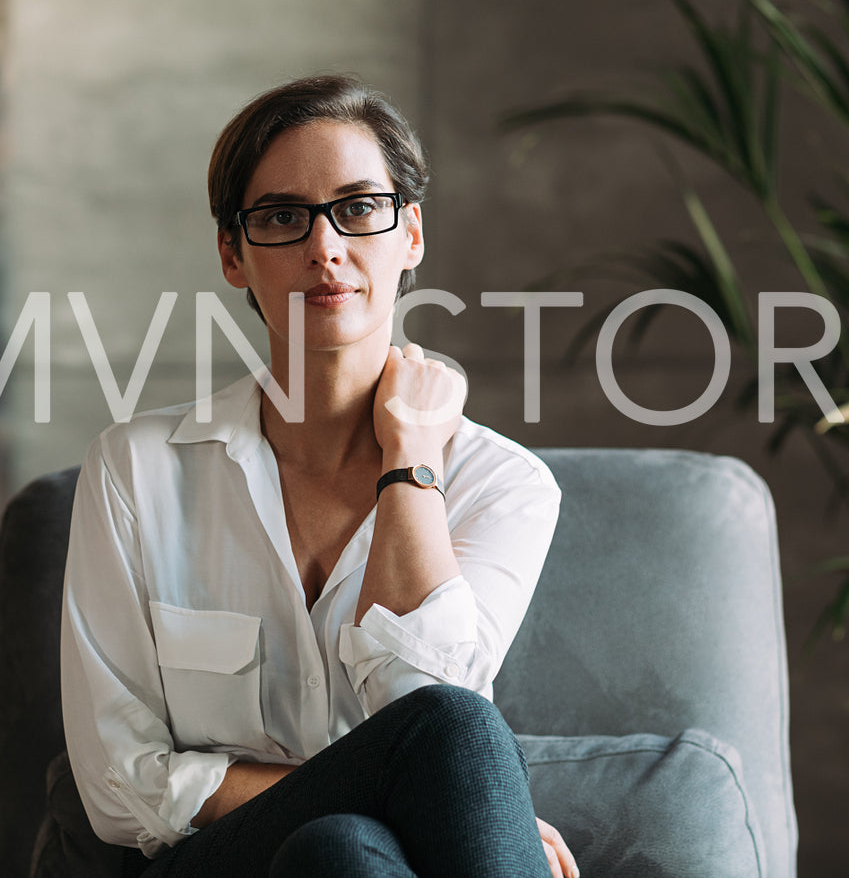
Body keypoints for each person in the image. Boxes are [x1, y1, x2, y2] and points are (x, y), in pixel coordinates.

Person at [60, 74, 578, 878]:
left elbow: (419, 697)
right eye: (280, 217)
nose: (324, 247)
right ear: (233, 254)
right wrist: (445, 799)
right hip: (203, 870)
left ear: (410, 235)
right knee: (443, 744)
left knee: (342, 850)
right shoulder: (135, 469)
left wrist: (410, 464)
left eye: (358, 207)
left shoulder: (502, 484)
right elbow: (116, 785)